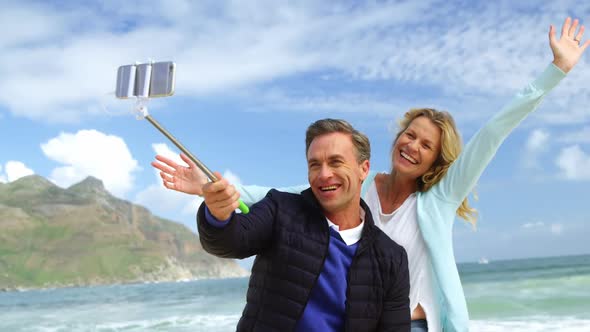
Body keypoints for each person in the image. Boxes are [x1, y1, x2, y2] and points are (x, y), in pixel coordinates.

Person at [152, 17, 589, 332]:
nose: (412, 145)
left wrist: (555, 72)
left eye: (425, 144)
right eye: (409, 134)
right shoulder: (352, 188)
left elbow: (493, 132)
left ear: (437, 159)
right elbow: (281, 196)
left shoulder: (436, 200)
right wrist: (208, 187)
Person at [197, 119, 411, 331]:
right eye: (315, 164)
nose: (324, 174)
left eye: (336, 162)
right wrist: (218, 214)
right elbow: (231, 241)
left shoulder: (392, 258)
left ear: (363, 169)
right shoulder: (280, 209)